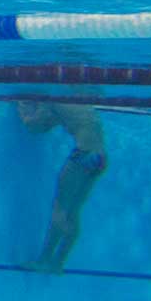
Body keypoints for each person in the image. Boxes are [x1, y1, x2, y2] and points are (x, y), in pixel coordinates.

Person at [17, 101, 108, 274]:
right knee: (73, 212)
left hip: (83, 154)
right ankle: (58, 263)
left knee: (60, 209)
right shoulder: (79, 97)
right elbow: (56, 121)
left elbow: (34, 126)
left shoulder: (52, 95)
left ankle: (44, 260)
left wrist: (23, 106)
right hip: (100, 157)